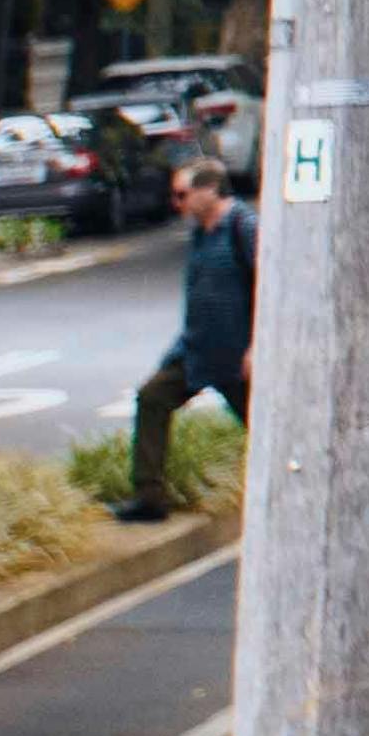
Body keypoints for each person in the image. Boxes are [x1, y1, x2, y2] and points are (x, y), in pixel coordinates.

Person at [117, 150, 254, 522]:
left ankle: (285, 490)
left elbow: (268, 288)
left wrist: (257, 347)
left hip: (237, 354)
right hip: (196, 349)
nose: (177, 203)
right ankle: (149, 498)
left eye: (182, 194)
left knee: (263, 426)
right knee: (151, 398)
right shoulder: (199, 234)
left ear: (209, 190)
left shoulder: (243, 228)